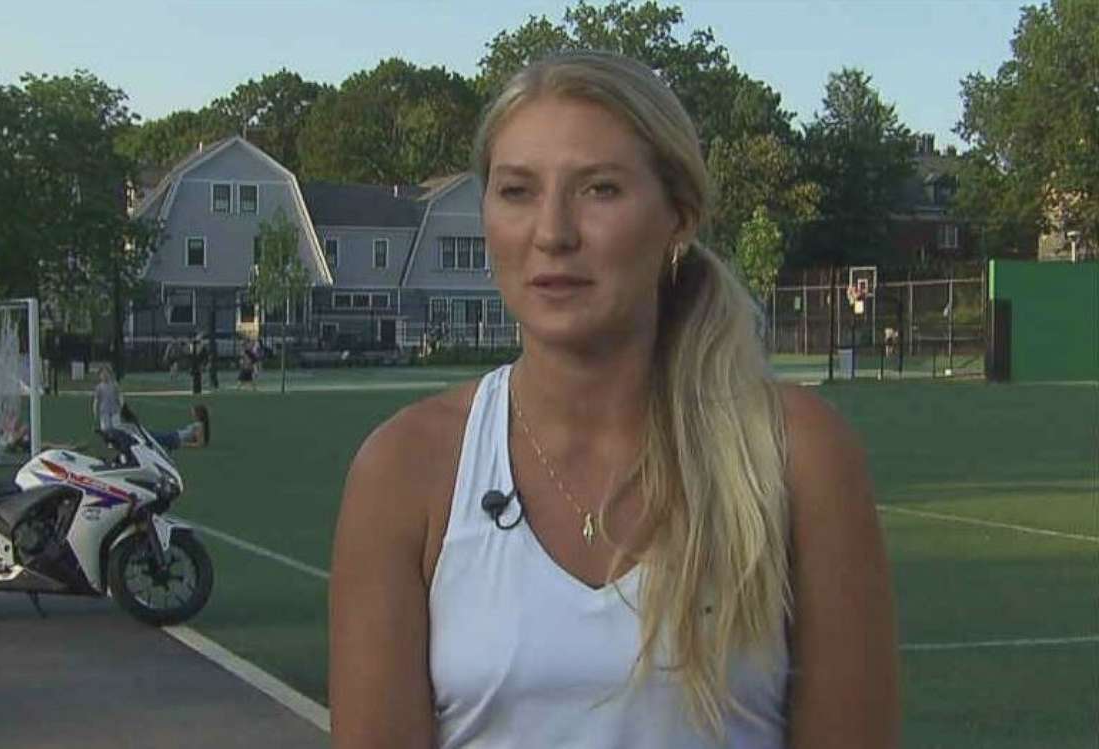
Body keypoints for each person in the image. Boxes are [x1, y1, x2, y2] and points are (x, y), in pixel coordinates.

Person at [329, 51, 899, 748]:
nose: (552, 232)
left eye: (598, 189)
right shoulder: (405, 469)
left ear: (678, 217)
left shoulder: (796, 453)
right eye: (517, 191)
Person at [121, 403, 210, 451]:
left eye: (193, 412)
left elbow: (200, 444)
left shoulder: (199, 426)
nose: (192, 414)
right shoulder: (197, 424)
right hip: (174, 435)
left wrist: (183, 444)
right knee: (149, 434)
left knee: (150, 436)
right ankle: (131, 429)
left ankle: (130, 431)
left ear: (199, 414)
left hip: (175, 439)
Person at [91, 364, 123, 432]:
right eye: (102, 374)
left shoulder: (114, 385)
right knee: (106, 430)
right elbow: (96, 400)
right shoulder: (99, 387)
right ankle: (109, 442)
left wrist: (121, 405)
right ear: (100, 376)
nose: (104, 376)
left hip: (114, 410)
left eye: (106, 373)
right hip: (104, 411)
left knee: (117, 429)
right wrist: (94, 409)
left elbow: (119, 396)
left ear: (109, 374)